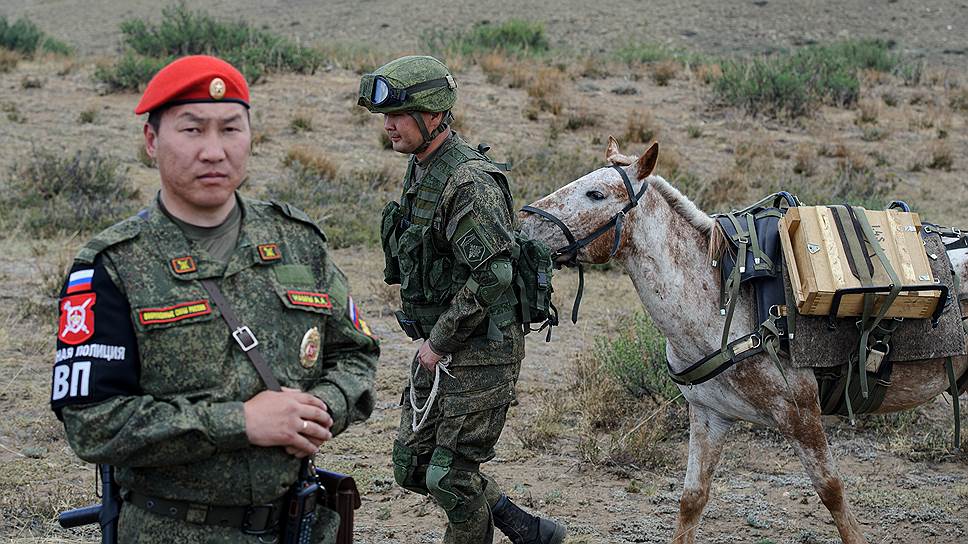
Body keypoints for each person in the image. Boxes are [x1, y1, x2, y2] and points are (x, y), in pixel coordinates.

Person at [50, 55, 379, 543]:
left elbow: (356, 353)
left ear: (251, 136)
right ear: (151, 141)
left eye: (230, 129)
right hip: (171, 529)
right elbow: (93, 423)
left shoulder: (298, 242)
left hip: (297, 525)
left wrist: (321, 407)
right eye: (192, 130)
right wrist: (241, 422)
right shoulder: (111, 266)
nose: (213, 151)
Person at [359, 55, 566, 544]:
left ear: (434, 115)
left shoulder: (468, 181)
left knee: (449, 477)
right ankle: (524, 527)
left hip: (481, 349)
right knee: (414, 467)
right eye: (386, 117)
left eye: (399, 115)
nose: (388, 126)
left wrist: (439, 342)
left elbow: (494, 273)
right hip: (445, 345)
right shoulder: (421, 169)